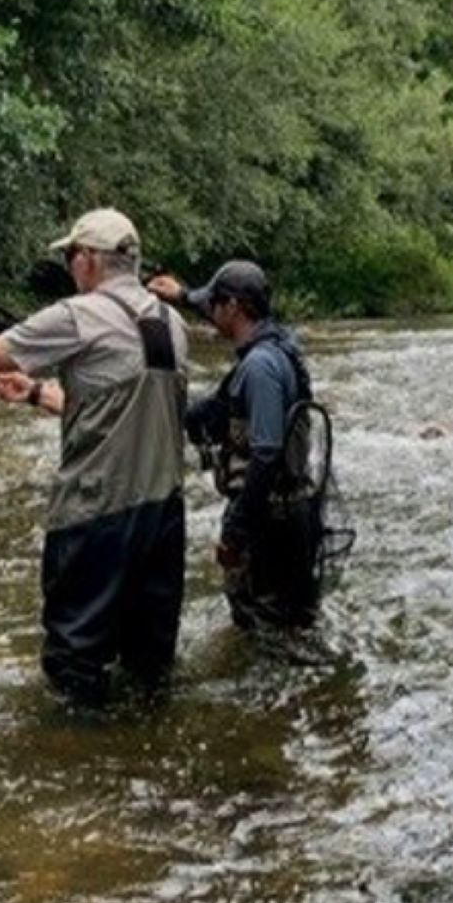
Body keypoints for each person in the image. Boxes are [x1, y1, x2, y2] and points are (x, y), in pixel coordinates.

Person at [0, 208, 189, 704]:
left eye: (71, 256)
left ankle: (79, 750)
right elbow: (128, 406)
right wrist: (35, 393)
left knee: (74, 665)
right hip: (163, 517)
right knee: (150, 668)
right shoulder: (170, 323)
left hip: (98, 515)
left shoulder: (78, 315)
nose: (70, 267)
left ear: (88, 258)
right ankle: (149, 747)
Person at [147, 260, 321, 632]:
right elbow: (214, 302)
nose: (209, 310)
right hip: (288, 515)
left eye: (215, 303)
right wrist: (182, 295)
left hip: (270, 526)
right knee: (291, 627)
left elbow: (266, 454)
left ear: (233, 307)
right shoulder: (280, 342)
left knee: (266, 626)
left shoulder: (259, 367)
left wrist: (236, 533)